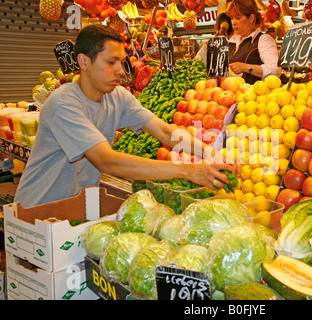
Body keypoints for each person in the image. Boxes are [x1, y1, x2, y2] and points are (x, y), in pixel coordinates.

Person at [14, 24, 238, 208]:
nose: (121, 71)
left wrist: (212, 154)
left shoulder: (117, 96)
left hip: (78, 207)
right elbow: (106, 160)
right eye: (111, 62)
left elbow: (165, 131)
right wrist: (189, 170)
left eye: (121, 62)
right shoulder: (64, 104)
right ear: (84, 62)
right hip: (37, 210)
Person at [225, 0, 282, 84]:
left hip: (254, 94)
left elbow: (275, 70)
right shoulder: (231, 41)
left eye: (238, 18)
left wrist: (246, 68)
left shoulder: (263, 40)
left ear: (251, 18)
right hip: (231, 94)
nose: (233, 22)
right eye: (232, 18)